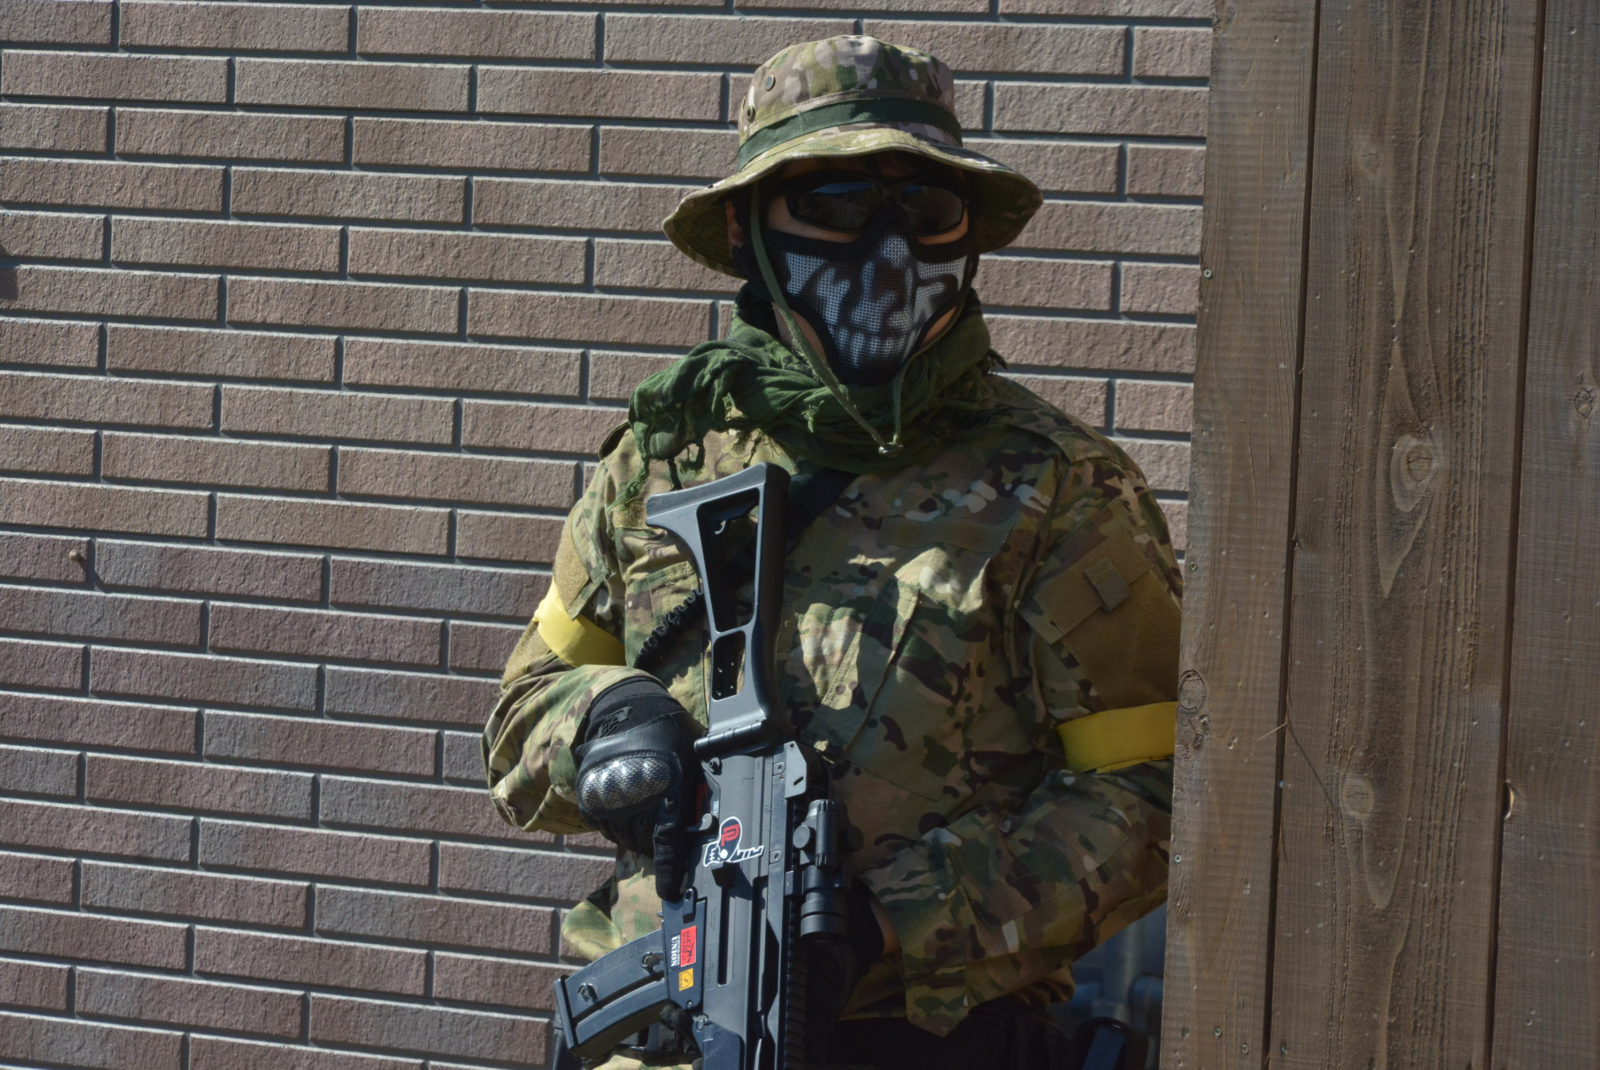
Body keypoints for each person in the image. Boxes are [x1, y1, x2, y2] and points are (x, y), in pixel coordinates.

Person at [482, 35, 1181, 1070]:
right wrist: (607, 719)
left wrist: (894, 919)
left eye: (927, 210)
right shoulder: (662, 458)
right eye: (838, 205)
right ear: (747, 227)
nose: (889, 252)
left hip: (921, 1036)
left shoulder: (1061, 487)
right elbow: (522, 710)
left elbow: (1152, 796)